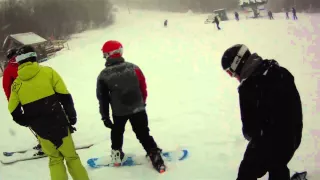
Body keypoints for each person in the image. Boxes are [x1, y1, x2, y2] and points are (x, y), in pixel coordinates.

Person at [221, 44, 303, 180]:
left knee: (247, 171)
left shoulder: (249, 88)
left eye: (230, 72)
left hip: (271, 141)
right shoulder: (280, 71)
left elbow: (250, 130)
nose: (232, 76)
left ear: (237, 64)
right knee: (277, 164)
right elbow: (294, 106)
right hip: (293, 137)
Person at [8, 45, 89, 180]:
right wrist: (72, 116)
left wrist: (28, 122)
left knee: (55, 160)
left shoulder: (16, 84)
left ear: (19, 61)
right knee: (71, 157)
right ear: (34, 57)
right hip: (59, 123)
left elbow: (13, 110)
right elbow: (65, 96)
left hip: (41, 129)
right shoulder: (48, 72)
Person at [96, 40, 165, 173]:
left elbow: (102, 99)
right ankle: (154, 154)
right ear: (119, 52)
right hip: (137, 108)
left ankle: (116, 155)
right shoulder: (134, 68)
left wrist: (105, 116)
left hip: (119, 112)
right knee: (143, 133)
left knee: (117, 132)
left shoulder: (104, 75)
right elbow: (143, 88)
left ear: (108, 55)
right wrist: (142, 102)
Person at [2, 47, 43, 153]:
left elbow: (7, 88)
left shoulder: (8, 70)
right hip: (42, 93)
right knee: (46, 115)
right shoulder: (29, 61)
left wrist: (13, 103)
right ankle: (56, 137)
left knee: (34, 120)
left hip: (25, 100)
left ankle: (44, 142)